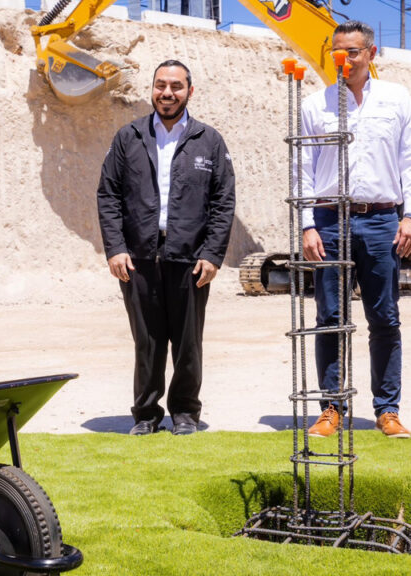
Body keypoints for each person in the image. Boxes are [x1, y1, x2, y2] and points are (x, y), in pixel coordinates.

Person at [299, 21, 411, 439]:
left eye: (353, 52)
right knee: (330, 318)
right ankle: (331, 408)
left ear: (371, 53)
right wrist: (306, 225)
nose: (344, 59)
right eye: (338, 52)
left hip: (381, 219)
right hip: (329, 219)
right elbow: (301, 169)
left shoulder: (396, 98)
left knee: (384, 317)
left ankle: (387, 410)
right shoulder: (316, 105)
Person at [97, 60, 235, 436]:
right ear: (152, 89)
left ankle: (186, 412)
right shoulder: (129, 136)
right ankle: (145, 414)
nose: (167, 93)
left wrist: (212, 254)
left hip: (190, 257)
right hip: (139, 257)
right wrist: (115, 248)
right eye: (160, 85)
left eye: (176, 86)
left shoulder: (209, 140)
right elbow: (108, 195)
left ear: (190, 91)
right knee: (147, 340)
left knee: (188, 341)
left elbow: (223, 202)